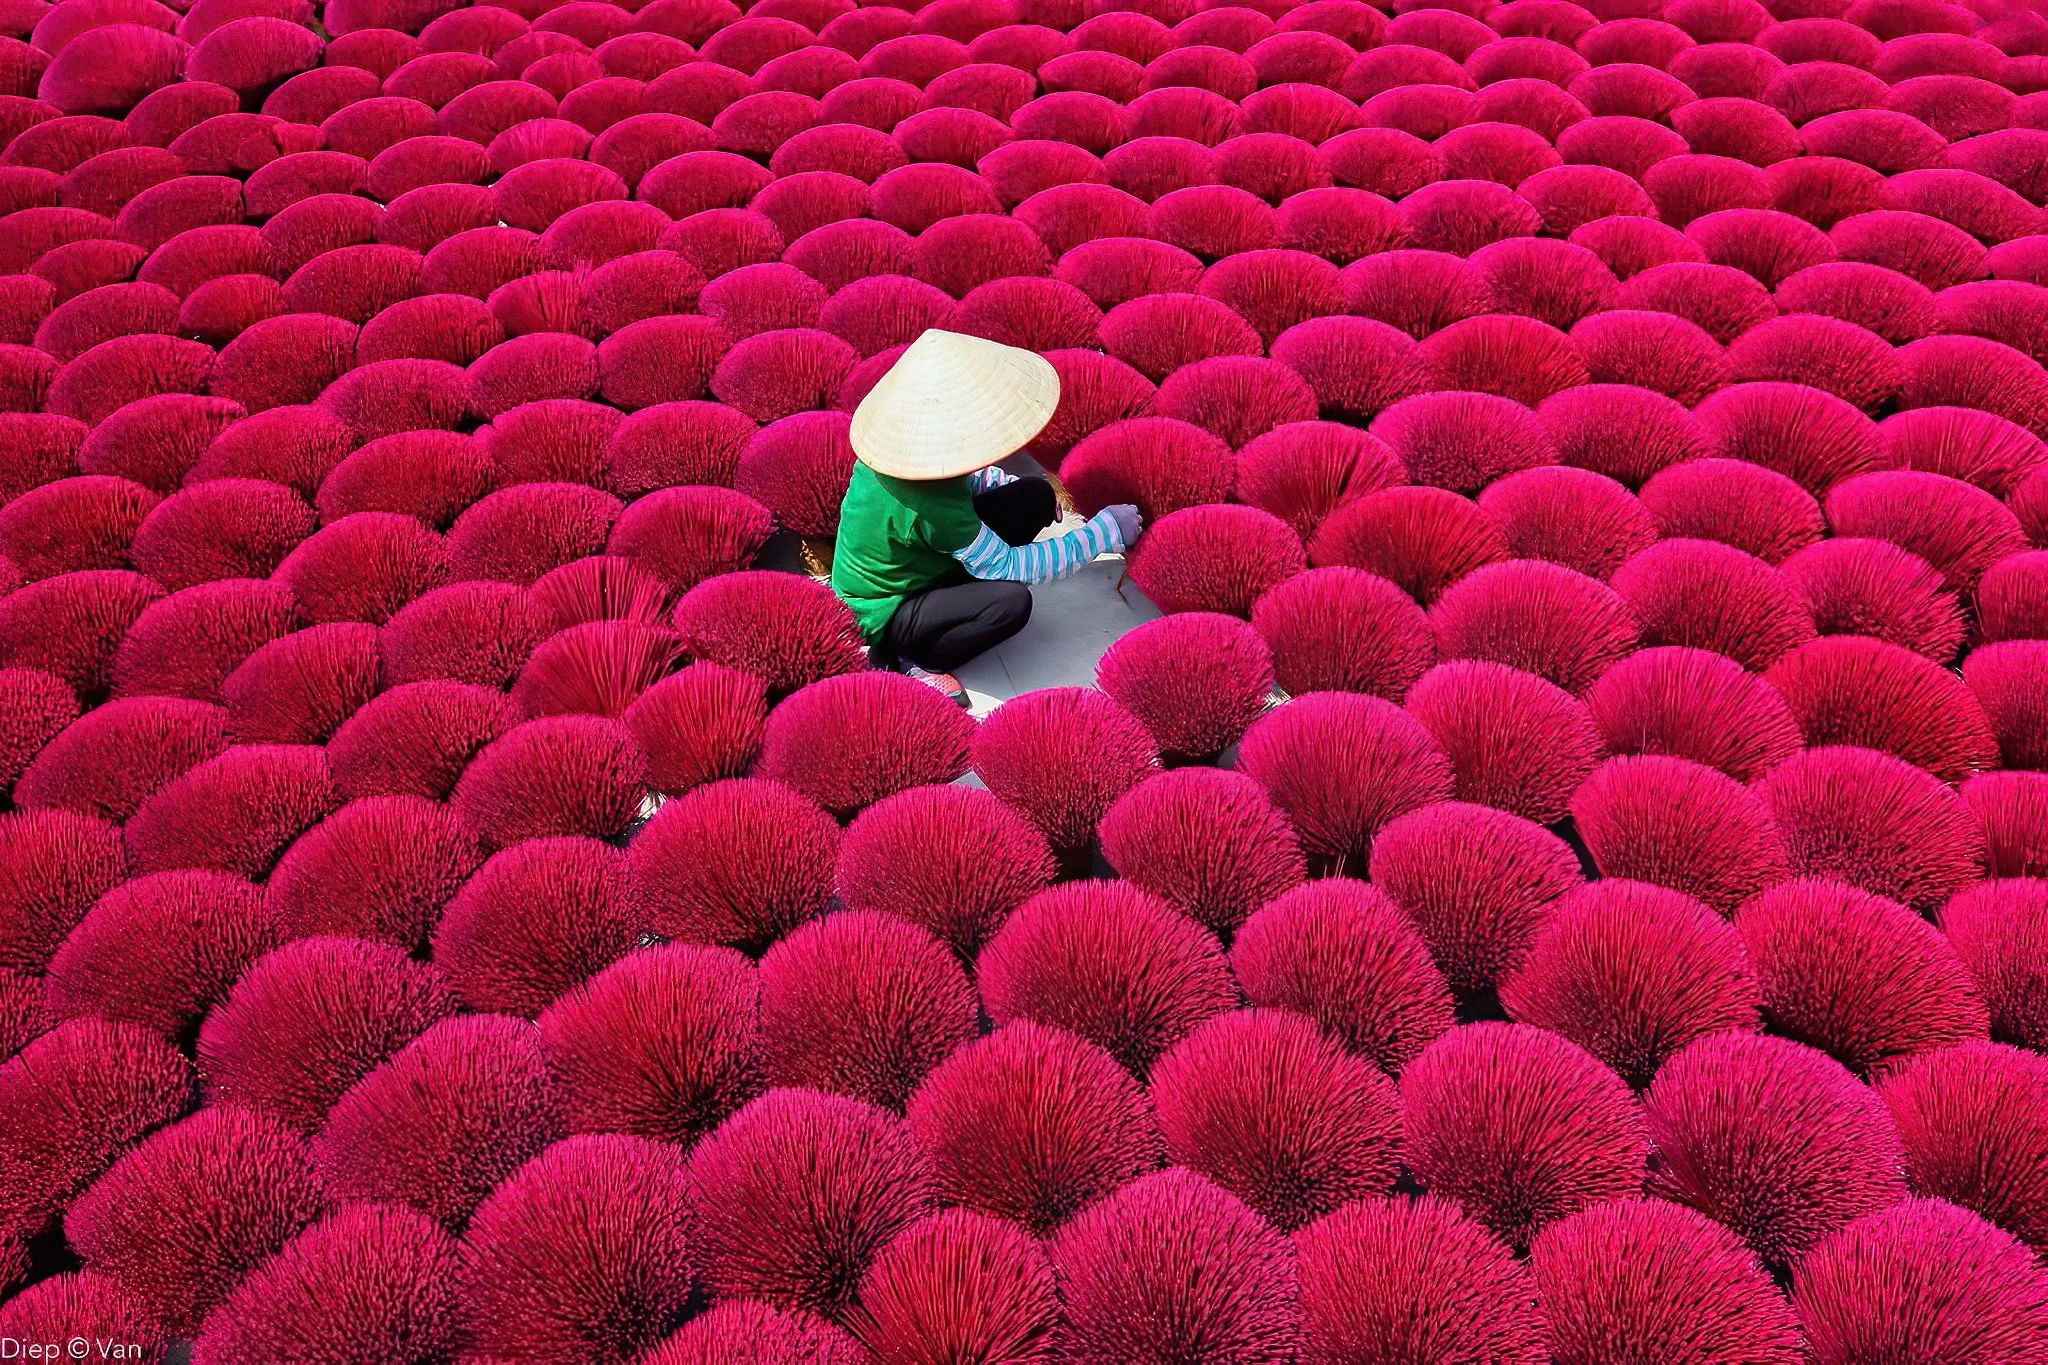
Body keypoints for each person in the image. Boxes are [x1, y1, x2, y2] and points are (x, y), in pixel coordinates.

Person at [831, 329, 1143, 706]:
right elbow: (1010, 567)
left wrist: (1014, 486)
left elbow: (965, 477)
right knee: (1010, 603)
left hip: (919, 562)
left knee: (1035, 495)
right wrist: (1103, 533)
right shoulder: (931, 505)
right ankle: (916, 658)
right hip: (884, 608)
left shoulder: (901, 453)